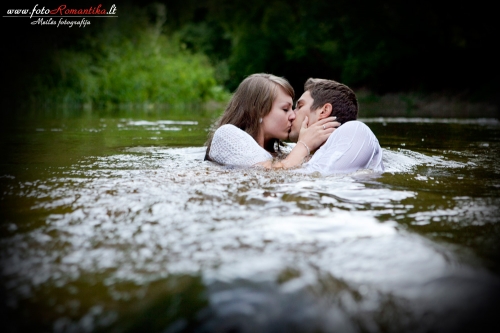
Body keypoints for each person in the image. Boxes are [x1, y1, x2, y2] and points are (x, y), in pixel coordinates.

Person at [205, 73, 338, 169]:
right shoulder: (226, 135)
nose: (293, 116)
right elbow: (266, 173)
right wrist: (304, 145)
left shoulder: (284, 153)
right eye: (285, 109)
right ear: (259, 111)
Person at [289, 78, 384, 175]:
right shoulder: (310, 153)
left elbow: (319, 177)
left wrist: (302, 146)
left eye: (299, 106)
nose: (291, 115)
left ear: (324, 111)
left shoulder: (355, 130)